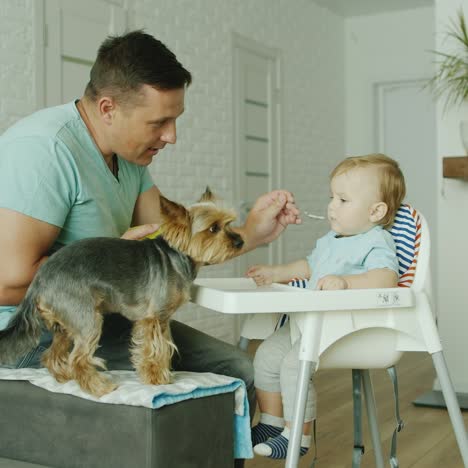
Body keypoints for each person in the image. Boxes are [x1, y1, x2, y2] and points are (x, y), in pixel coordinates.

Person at [0, 30, 300, 467]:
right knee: (222, 372)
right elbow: (8, 284)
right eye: (159, 122)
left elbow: (176, 246)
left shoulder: (130, 159)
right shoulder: (43, 152)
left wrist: (253, 231)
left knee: (238, 368)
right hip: (34, 325)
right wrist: (108, 257)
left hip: (107, 312)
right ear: (108, 108)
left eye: (175, 119)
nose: (172, 136)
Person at [246, 153, 406, 459]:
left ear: (376, 211)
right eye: (331, 197)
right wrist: (277, 273)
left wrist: (346, 282)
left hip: (345, 329)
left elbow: (385, 278)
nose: (332, 205)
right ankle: (271, 421)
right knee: (265, 355)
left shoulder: (377, 241)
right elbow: (308, 266)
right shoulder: (331, 239)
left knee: (294, 365)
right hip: (307, 324)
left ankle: (297, 436)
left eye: (343, 200)